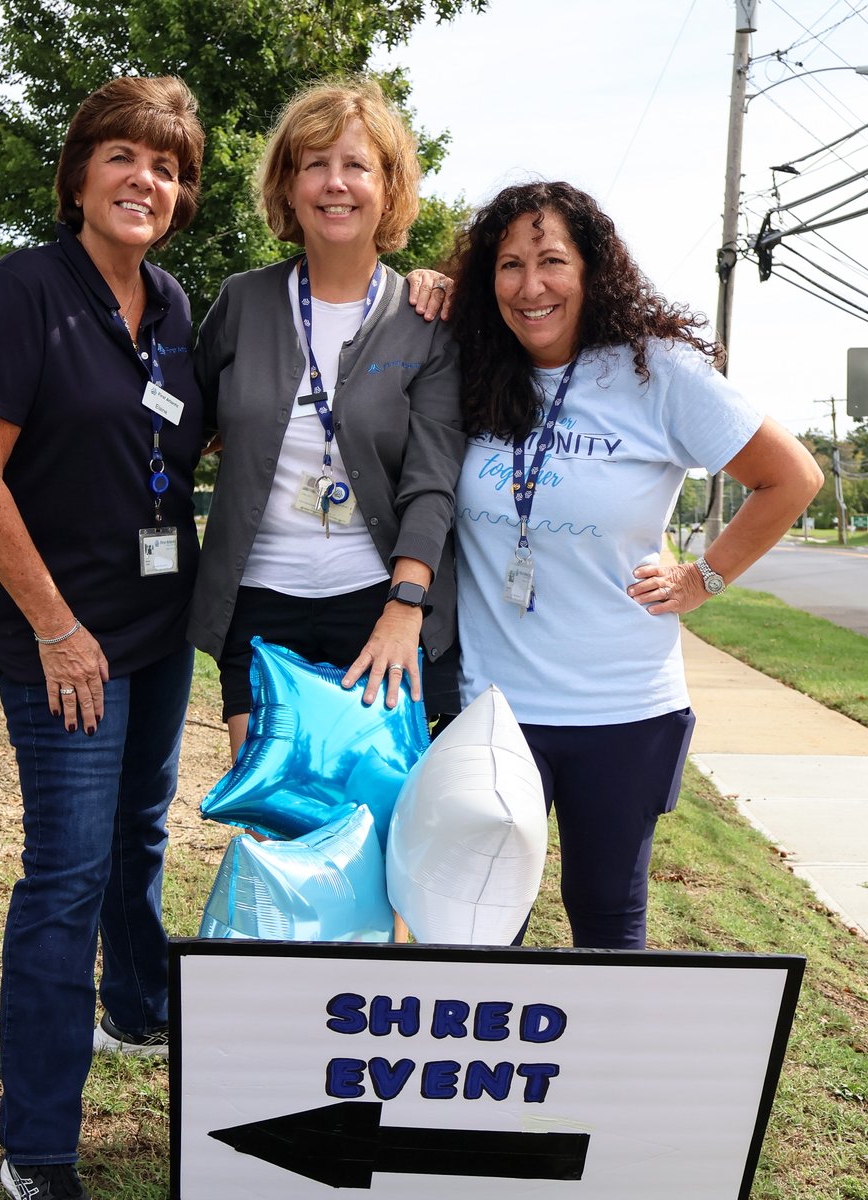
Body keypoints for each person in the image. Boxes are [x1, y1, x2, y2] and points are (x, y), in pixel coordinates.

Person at [0, 76, 205, 1200]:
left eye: (169, 167)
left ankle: (135, 1010)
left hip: (156, 627)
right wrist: (56, 628)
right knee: (66, 872)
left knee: (141, 832)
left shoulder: (175, 306)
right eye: (124, 157)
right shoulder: (24, 292)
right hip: (64, 641)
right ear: (80, 173)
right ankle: (38, 1147)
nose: (147, 180)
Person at [442, 180, 823, 950]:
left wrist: (702, 577)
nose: (531, 286)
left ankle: (602, 1041)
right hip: (492, 708)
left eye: (553, 261)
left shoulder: (657, 372)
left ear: (592, 270)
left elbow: (791, 478)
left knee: (607, 921)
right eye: (510, 265)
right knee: (480, 928)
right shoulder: (469, 366)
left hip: (622, 708)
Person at [188, 79, 464, 758]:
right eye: (315, 164)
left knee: (370, 808)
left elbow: (432, 484)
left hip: (377, 603)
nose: (335, 183)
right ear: (289, 187)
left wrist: (405, 606)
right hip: (258, 603)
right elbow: (187, 426)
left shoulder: (426, 320)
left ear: (390, 189)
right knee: (270, 804)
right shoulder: (242, 303)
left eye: (356, 165)